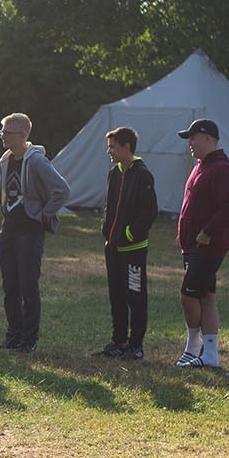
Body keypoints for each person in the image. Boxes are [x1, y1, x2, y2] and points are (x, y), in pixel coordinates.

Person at [0, 112, 70, 353]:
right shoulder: (6, 160)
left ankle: (29, 339)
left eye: (7, 132)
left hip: (29, 231)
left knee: (28, 286)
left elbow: (62, 190)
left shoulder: (36, 161)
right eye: (2, 131)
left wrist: (44, 214)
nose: (2, 136)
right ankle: (13, 335)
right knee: (10, 286)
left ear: (22, 135)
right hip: (8, 229)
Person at [174, 119, 229, 369]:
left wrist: (207, 231)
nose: (190, 143)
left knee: (188, 295)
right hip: (193, 245)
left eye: (194, 137)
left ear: (209, 138)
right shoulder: (201, 166)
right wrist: (182, 233)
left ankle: (194, 346)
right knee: (206, 296)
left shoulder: (220, 169)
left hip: (207, 247)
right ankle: (210, 354)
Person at [98, 126, 158, 360]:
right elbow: (109, 206)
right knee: (117, 295)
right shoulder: (114, 174)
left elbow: (149, 212)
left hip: (133, 250)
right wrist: (107, 230)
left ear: (127, 147)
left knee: (135, 296)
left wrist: (130, 234)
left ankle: (136, 345)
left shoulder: (143, 175)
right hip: (112, 248)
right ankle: (119, 341)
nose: (109, 151)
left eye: (113, 147)